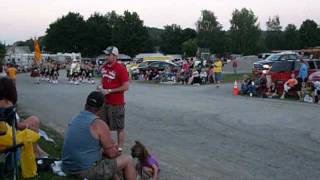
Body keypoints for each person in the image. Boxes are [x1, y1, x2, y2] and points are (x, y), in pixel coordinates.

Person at [62, 91, 136, 180]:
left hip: (67, 166)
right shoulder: (99, 124)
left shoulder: (75, 118)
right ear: (101, 108)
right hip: (84, 172)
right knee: (128, 159)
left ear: (86, 104)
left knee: (106, 159)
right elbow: (111, 154)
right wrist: (116, 149)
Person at [0, 77, 46, 157]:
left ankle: (37, 150)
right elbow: (11, 125)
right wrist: (27, 126)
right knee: (34, 122)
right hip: (7, 136)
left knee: (33, 121)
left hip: (5, 131)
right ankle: (35, 153)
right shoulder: (7, 103)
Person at [98, 46, 129, 152]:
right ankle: (107, 147)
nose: (106, 56)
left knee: (119, 128)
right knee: (103, 126)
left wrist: (110, 91)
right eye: (106, 54)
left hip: (117, 103)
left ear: (114, 56)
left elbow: (126, 87)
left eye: (108, 55)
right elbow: (103, 80)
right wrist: (100, 86)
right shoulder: (105, 67)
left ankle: (119, 149)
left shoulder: (121, 68)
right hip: (104, 102)